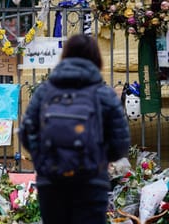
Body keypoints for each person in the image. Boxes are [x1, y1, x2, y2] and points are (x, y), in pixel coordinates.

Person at [18, 34, 130, 224]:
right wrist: (98, 157)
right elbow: (120, 145)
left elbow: (26, 133)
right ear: (96, 58)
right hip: (91, 181)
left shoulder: (44, 92)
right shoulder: (105, 95)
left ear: (65, 56)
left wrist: (44, 157)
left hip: (51, 180)